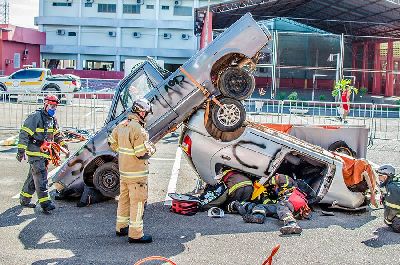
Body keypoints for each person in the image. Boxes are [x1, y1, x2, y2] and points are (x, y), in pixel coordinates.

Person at [108, 98, 156, 244]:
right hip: (137, 174)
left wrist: (124, 155)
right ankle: (135, 234)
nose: (147, 115)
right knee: (138, 202)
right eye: (146, 112)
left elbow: (111, 142)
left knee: (124, 199)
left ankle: (121, 227)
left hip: (124, 172)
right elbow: (141, 153)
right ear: (141, 112)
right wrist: (152, 148)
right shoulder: (138, 129)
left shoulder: (122, 125)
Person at [17, 95, 68, 212]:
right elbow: (24, 133)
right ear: (45, 105)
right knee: (41, 175)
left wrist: (64, 145)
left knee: (33, 176)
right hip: (34, 152)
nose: (53, 108)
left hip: (45, 152)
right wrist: (21, 150)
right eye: (51, 106)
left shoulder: (52, 120)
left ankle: (24, 199)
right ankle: (45, 202)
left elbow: (57, 135)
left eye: (55, 106)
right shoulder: (36, 117)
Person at [230, 174, 311, 235]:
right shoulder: (283, 195)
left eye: (275, 186)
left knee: (282, 207)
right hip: (294, 207)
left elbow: (281, 181)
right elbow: (268, 204)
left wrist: (266, 184)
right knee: (261, 206)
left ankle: (292, 224)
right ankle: (258, 217)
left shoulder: (285, 182)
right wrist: (264, 194)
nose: (273, 188)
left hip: (292, 200)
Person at [376, 164, 400, 233]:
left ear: (385, 176)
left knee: (396, 226)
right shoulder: (394, 181)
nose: (379, 178)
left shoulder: (392, 188)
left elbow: (393, 209)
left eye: (379, 176)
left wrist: (388, 221)